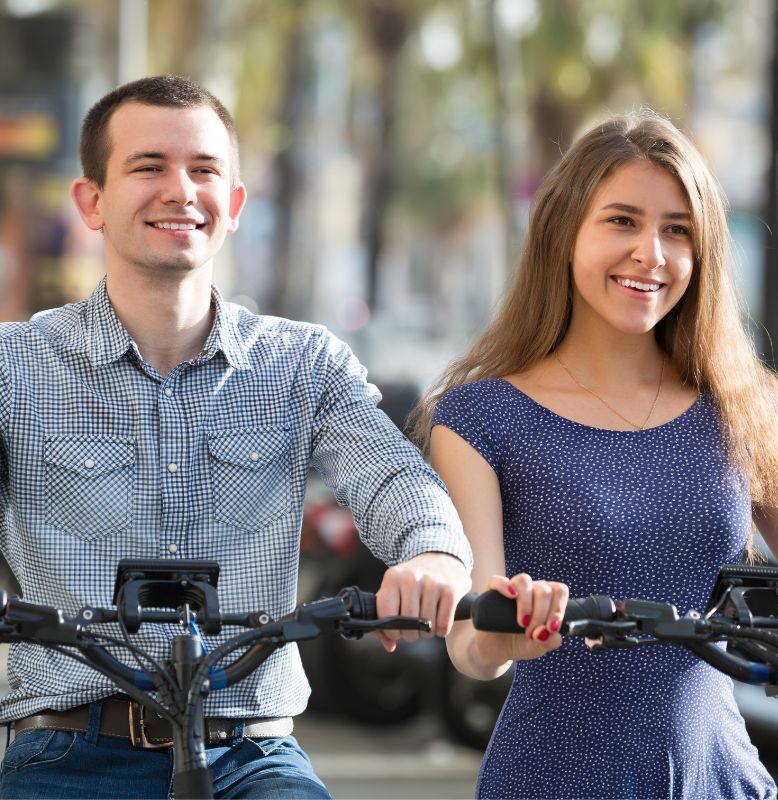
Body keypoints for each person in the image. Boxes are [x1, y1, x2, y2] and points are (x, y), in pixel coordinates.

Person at [0, 75, 472, 799]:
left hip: (250, 757)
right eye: (148, 167)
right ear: (92, 201)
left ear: (236, 204)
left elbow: (394, 478)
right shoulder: (13, 369)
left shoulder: (305, 364)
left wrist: (432, 554)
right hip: (67, 753)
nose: (180, 190)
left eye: (204, 170)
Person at [413, 110, 778, 799]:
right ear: (564, 233)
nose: (651, 252)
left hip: (721, 780)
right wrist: (507, 635)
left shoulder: (746, 406)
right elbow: (472, 644)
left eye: (676, 229)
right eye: (622, 220)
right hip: (551, 780)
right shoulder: (478, 417)